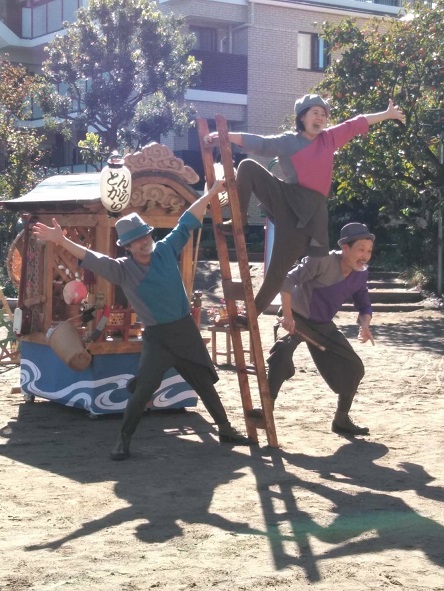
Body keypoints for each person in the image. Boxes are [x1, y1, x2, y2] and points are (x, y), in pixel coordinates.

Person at [33, 180, 254, 460]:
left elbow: (188, 220)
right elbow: (91, 256)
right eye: (137, 241)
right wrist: (61, 240)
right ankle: (123, 439)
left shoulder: (164, 250)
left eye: (145, 237)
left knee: (202, 382)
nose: (143, 243)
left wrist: (210, 193)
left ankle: (225, 429)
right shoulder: (122, 270)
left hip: (184, 330)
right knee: (143, 390)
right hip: (158, 339)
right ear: (128, 246)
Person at [203, 95, 404, 316]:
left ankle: (251, 315)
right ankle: (238, 220)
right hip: (287, 199)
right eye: (315, 113)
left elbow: (356, 124)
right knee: (248, 166)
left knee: (280, 270)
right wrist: (225, 135)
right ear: (302, 117)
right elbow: (261, 143)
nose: (320, 118)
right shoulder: (289, 141)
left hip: (311, 213)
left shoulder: (329, 139)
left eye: (324, 114)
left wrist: (387, 114)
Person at [264, 222, 376, 436]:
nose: (365, 255)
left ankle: (341, 419)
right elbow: (287, 281)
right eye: (360, 249)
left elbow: (363, 302)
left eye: (369, 250)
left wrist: (365, 324)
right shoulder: (321, 260)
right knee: (283, 351)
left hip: (322, 325)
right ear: (345, 248)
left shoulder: (361, 273)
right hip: (296, 317)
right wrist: (287, 316)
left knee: (354, 366)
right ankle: (266, 408)